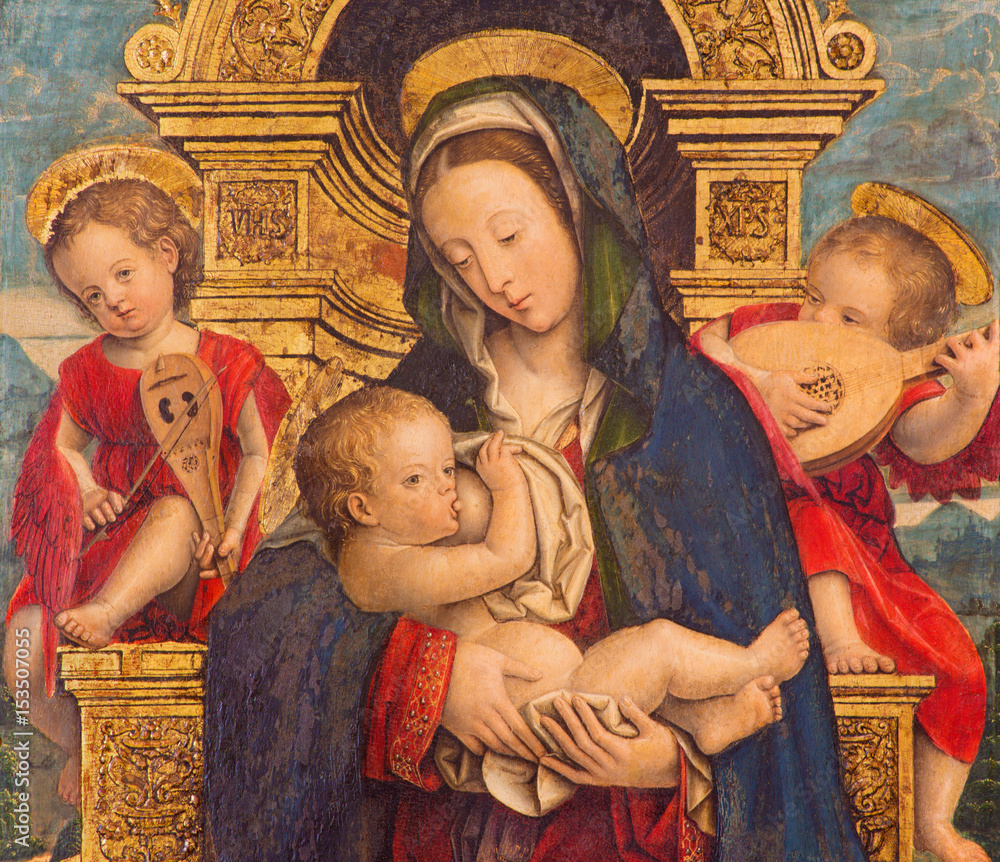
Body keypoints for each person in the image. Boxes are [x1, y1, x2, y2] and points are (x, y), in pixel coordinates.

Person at [206, 77, 870, 862]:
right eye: (460, 259)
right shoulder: (411, 413)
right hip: (445, 833)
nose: (493, 278)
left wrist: (672, 765)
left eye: (510, 235)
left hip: (626, 838)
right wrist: (428, 677)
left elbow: (785, 723)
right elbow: (266, 621)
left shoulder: (695, 416)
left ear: (578, 210)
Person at [295, 384, 807, 793]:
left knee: (650, 683)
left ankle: (706, 721)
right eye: (416, 480)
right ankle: (756, 662)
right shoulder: (383, 568)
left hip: (558, 697)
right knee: (660, 646)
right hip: (552, 707)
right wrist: (507, 485)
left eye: (447, 468)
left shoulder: (378, 555)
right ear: (362, 509)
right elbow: (507, 558)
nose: (447, 485)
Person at [694, 212, 998, 862]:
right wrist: (759, 384)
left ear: (895, 342)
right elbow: (708, 342)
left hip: (870, 562)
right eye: (814, 297)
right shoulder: (777, 334)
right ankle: (839, 643)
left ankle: (933, 820)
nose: (820, 321)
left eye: (851, 319)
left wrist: (970, 397)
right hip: (768, 541)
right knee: (812, 517)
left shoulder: (889, 377)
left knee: (961, 666)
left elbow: (924, 439)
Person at [4, 145, 290, 805]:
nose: (114, 301)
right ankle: (81, 745)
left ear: (167, 253)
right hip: (112, 542)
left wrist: (232, 529)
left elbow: (260, 451)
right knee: (21, 638)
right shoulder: (87, 369)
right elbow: (63, 449)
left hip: (198, 557)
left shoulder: (226, 358)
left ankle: (108, 613)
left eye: (123, 274)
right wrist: (87, 489)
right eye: (93, 295)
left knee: (174, 511)